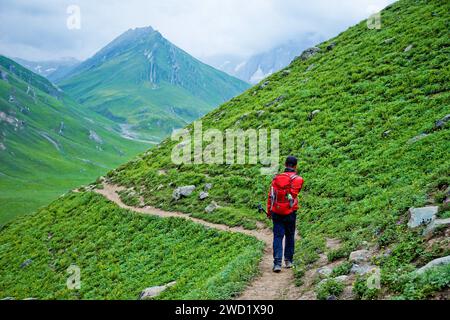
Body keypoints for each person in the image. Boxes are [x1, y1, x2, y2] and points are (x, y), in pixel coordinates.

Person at [267, 156, 304, 273]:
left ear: (285, 164)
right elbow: (294, 195)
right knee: (290, 235)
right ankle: (288, 261)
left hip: (276, 211)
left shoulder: (276, 179)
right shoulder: (298, 179)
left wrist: (269, 211)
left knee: (278, 237)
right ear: (295, 166)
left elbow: (271, 196)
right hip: (290, 212)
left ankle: (277, 263)